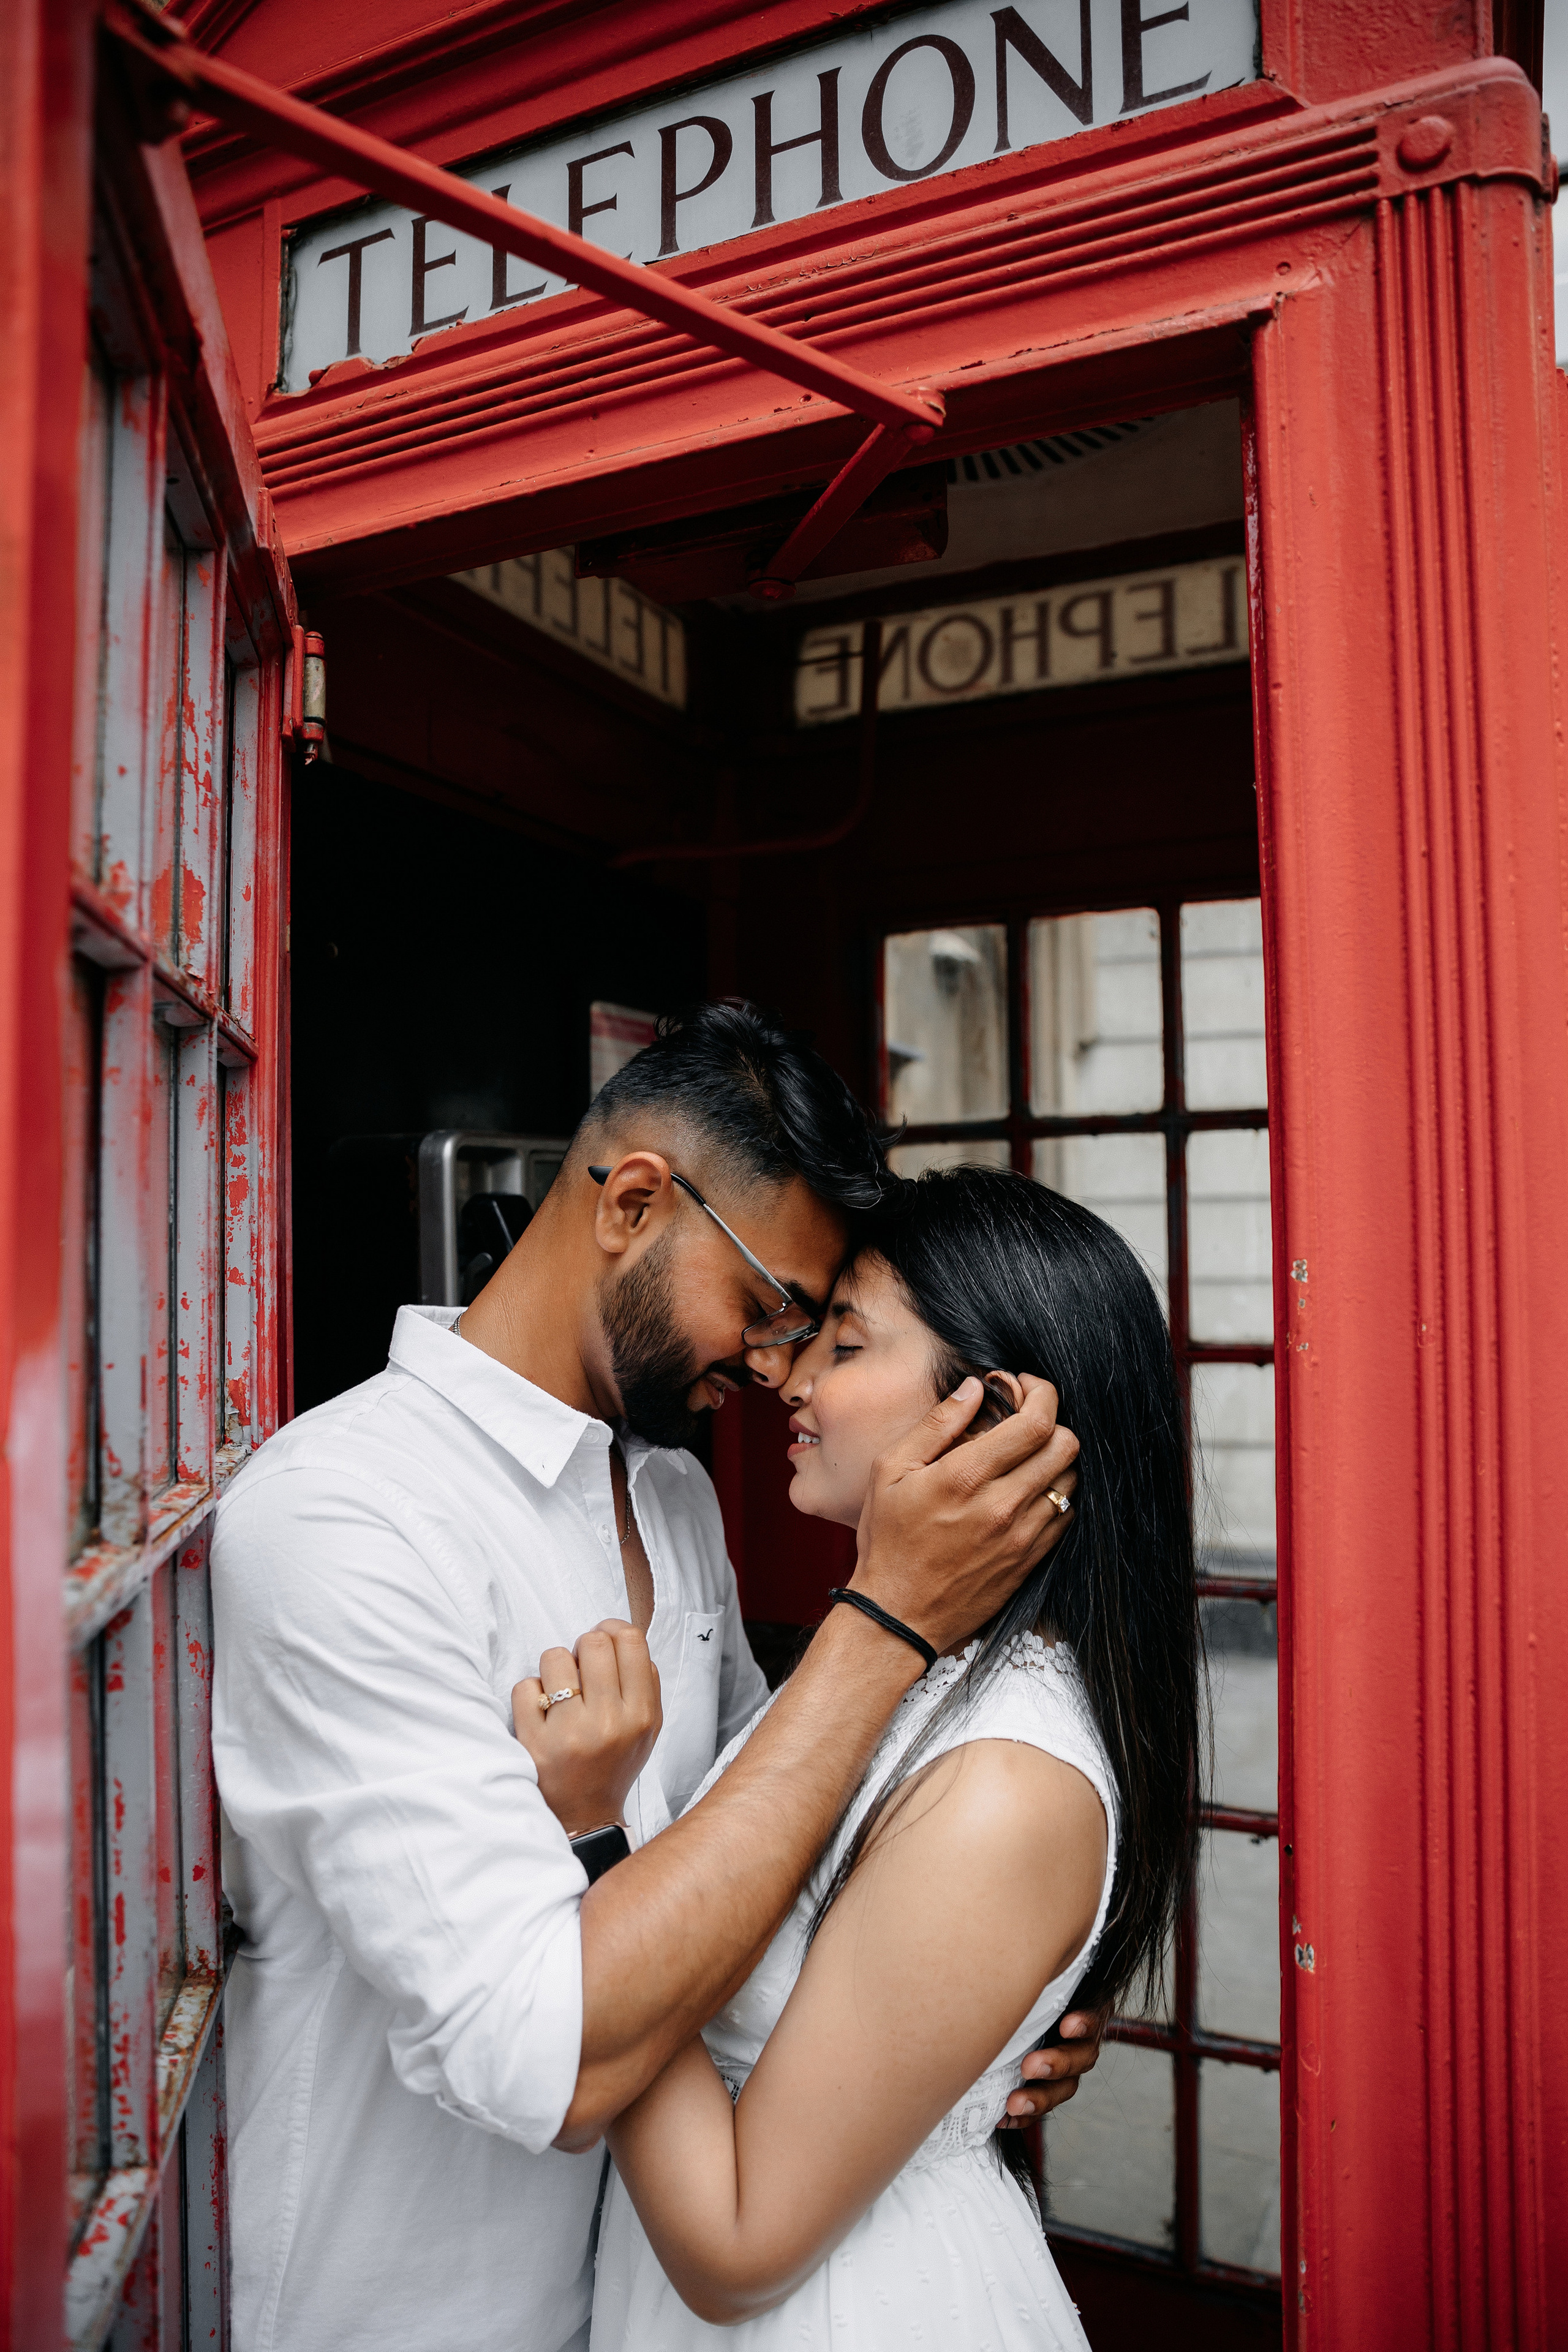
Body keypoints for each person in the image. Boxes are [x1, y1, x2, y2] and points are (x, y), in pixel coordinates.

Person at [209, 1005, 1095, 2352]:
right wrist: (886, 1618)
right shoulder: (343, 1515)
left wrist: (965, 2002)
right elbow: (542, 2056)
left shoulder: (669, 1498)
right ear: (633, 1201)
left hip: (641, 2299)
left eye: (814, 1329)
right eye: (764, 1306)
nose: (776, 1363)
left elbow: (765, 1864)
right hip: (413, 2308)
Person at [513, 1163, 1202, 2350]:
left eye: (844, 1343)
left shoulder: (1001, 1784)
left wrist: (596, 1836)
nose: (787, 1373)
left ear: (988, 1420)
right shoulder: (904, 1674)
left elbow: (732, 2249)